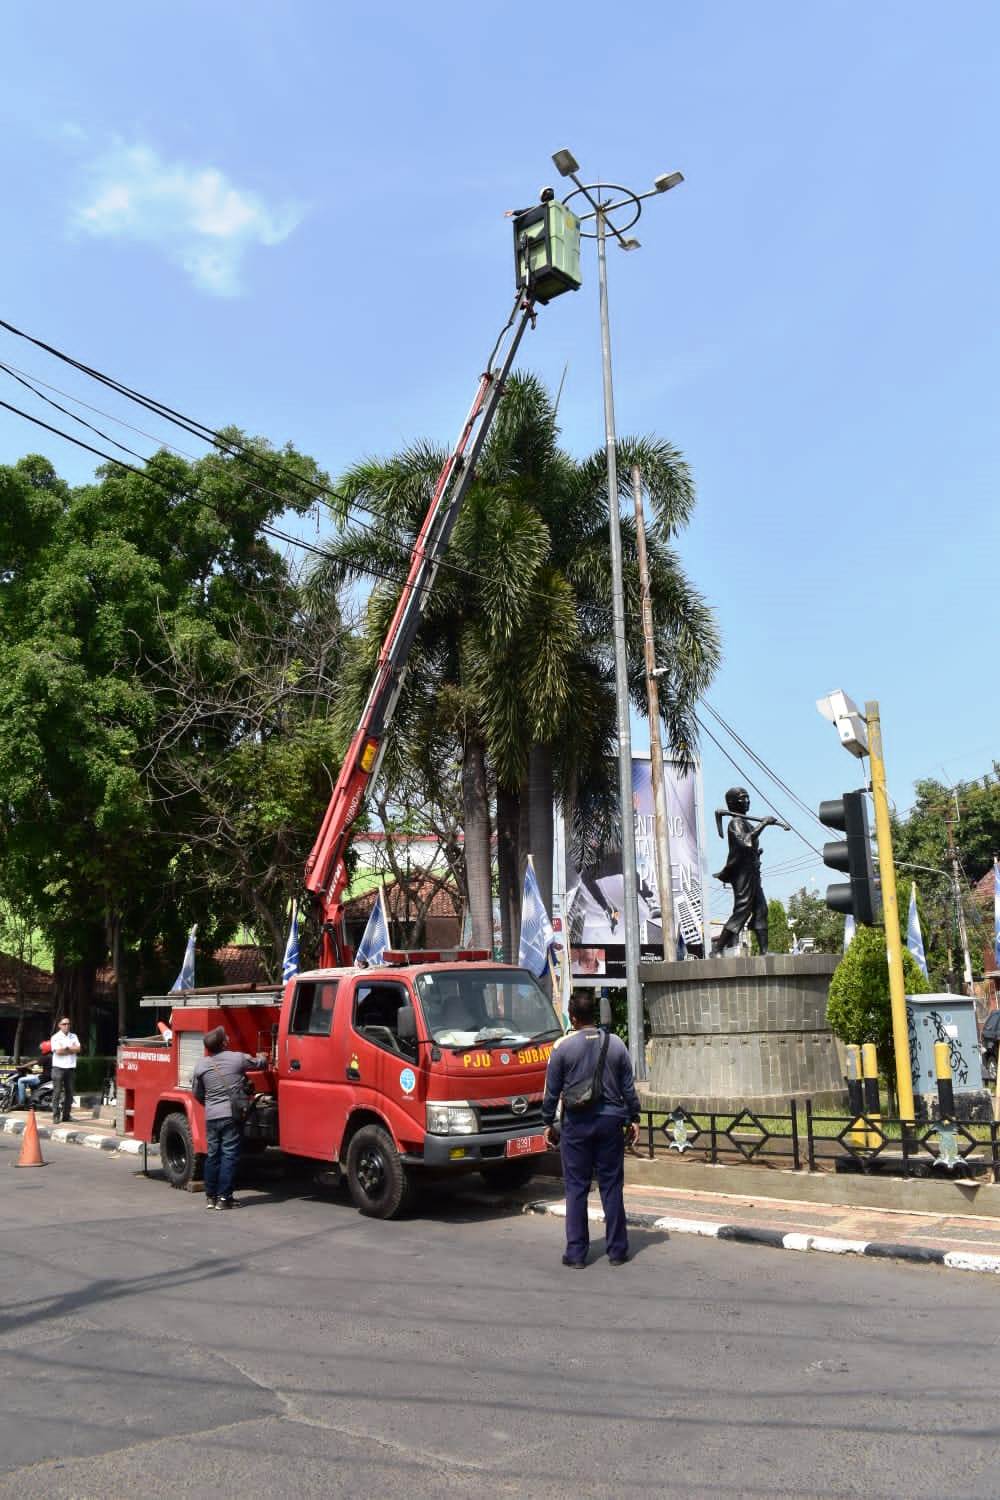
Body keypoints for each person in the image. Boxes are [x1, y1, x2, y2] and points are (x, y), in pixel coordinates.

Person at [541, 991, 641, 1268]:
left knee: (576, 1188)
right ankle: (618, 1251)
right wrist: (634, 1118)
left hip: (576, 1125)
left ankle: (576, 1255)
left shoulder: (563, 1048)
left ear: (573, 1017)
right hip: (611, 1123)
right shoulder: (617, 1045)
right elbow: (628, 1089)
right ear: (594, 1014)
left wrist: (548, 1122)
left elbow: (551, 1092)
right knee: (611, 1186)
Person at [191, 1027, 265, 1211]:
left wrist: (210, 1104)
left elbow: (197, 1094)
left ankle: (211, 1197)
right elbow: (259, 1064)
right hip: (231, 1116)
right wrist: (263, 1055)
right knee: (229, 1155)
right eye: (226, 1037)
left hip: (212, 1116)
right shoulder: (237, 1058)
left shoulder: (201, 1065)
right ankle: (225, 1198)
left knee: (212, 1156)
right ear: (224, 1043)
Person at [50, 1017, 81, 1123]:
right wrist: (71, 1049)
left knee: (70, 1093)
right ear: (59, 1025)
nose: (66, 1025)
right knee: (57, 1093)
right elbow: (58, 1052)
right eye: (64, 1024)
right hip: (58, 1068)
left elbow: (78, 1049)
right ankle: (55, 1116)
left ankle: (66, 1116)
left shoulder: (74, 1036)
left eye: (68, 1024)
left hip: (70, 1068)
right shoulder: (55, 1037)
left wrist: (66, 1048)